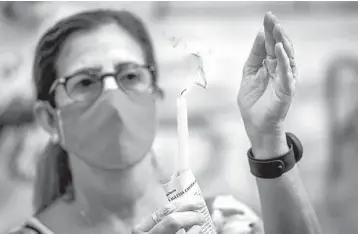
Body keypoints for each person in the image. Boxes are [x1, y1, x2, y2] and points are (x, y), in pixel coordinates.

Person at [9, 9, 321, 234]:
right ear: (50, 119)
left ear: (155, 96)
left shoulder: (221, 221)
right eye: (85, 82)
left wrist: (268, 140)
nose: (113, 100)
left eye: (130, 76)